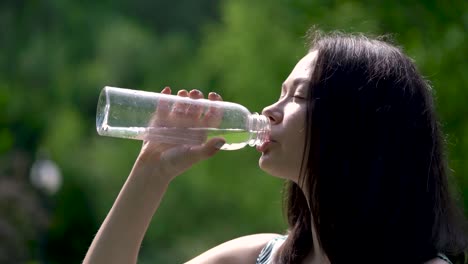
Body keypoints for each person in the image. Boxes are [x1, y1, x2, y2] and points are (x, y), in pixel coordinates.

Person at [83, 30, 468, 264]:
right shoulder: (257, 257)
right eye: (279, 93)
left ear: (355, 123)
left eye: (296, 96)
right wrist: (152, 169)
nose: (269, 109)